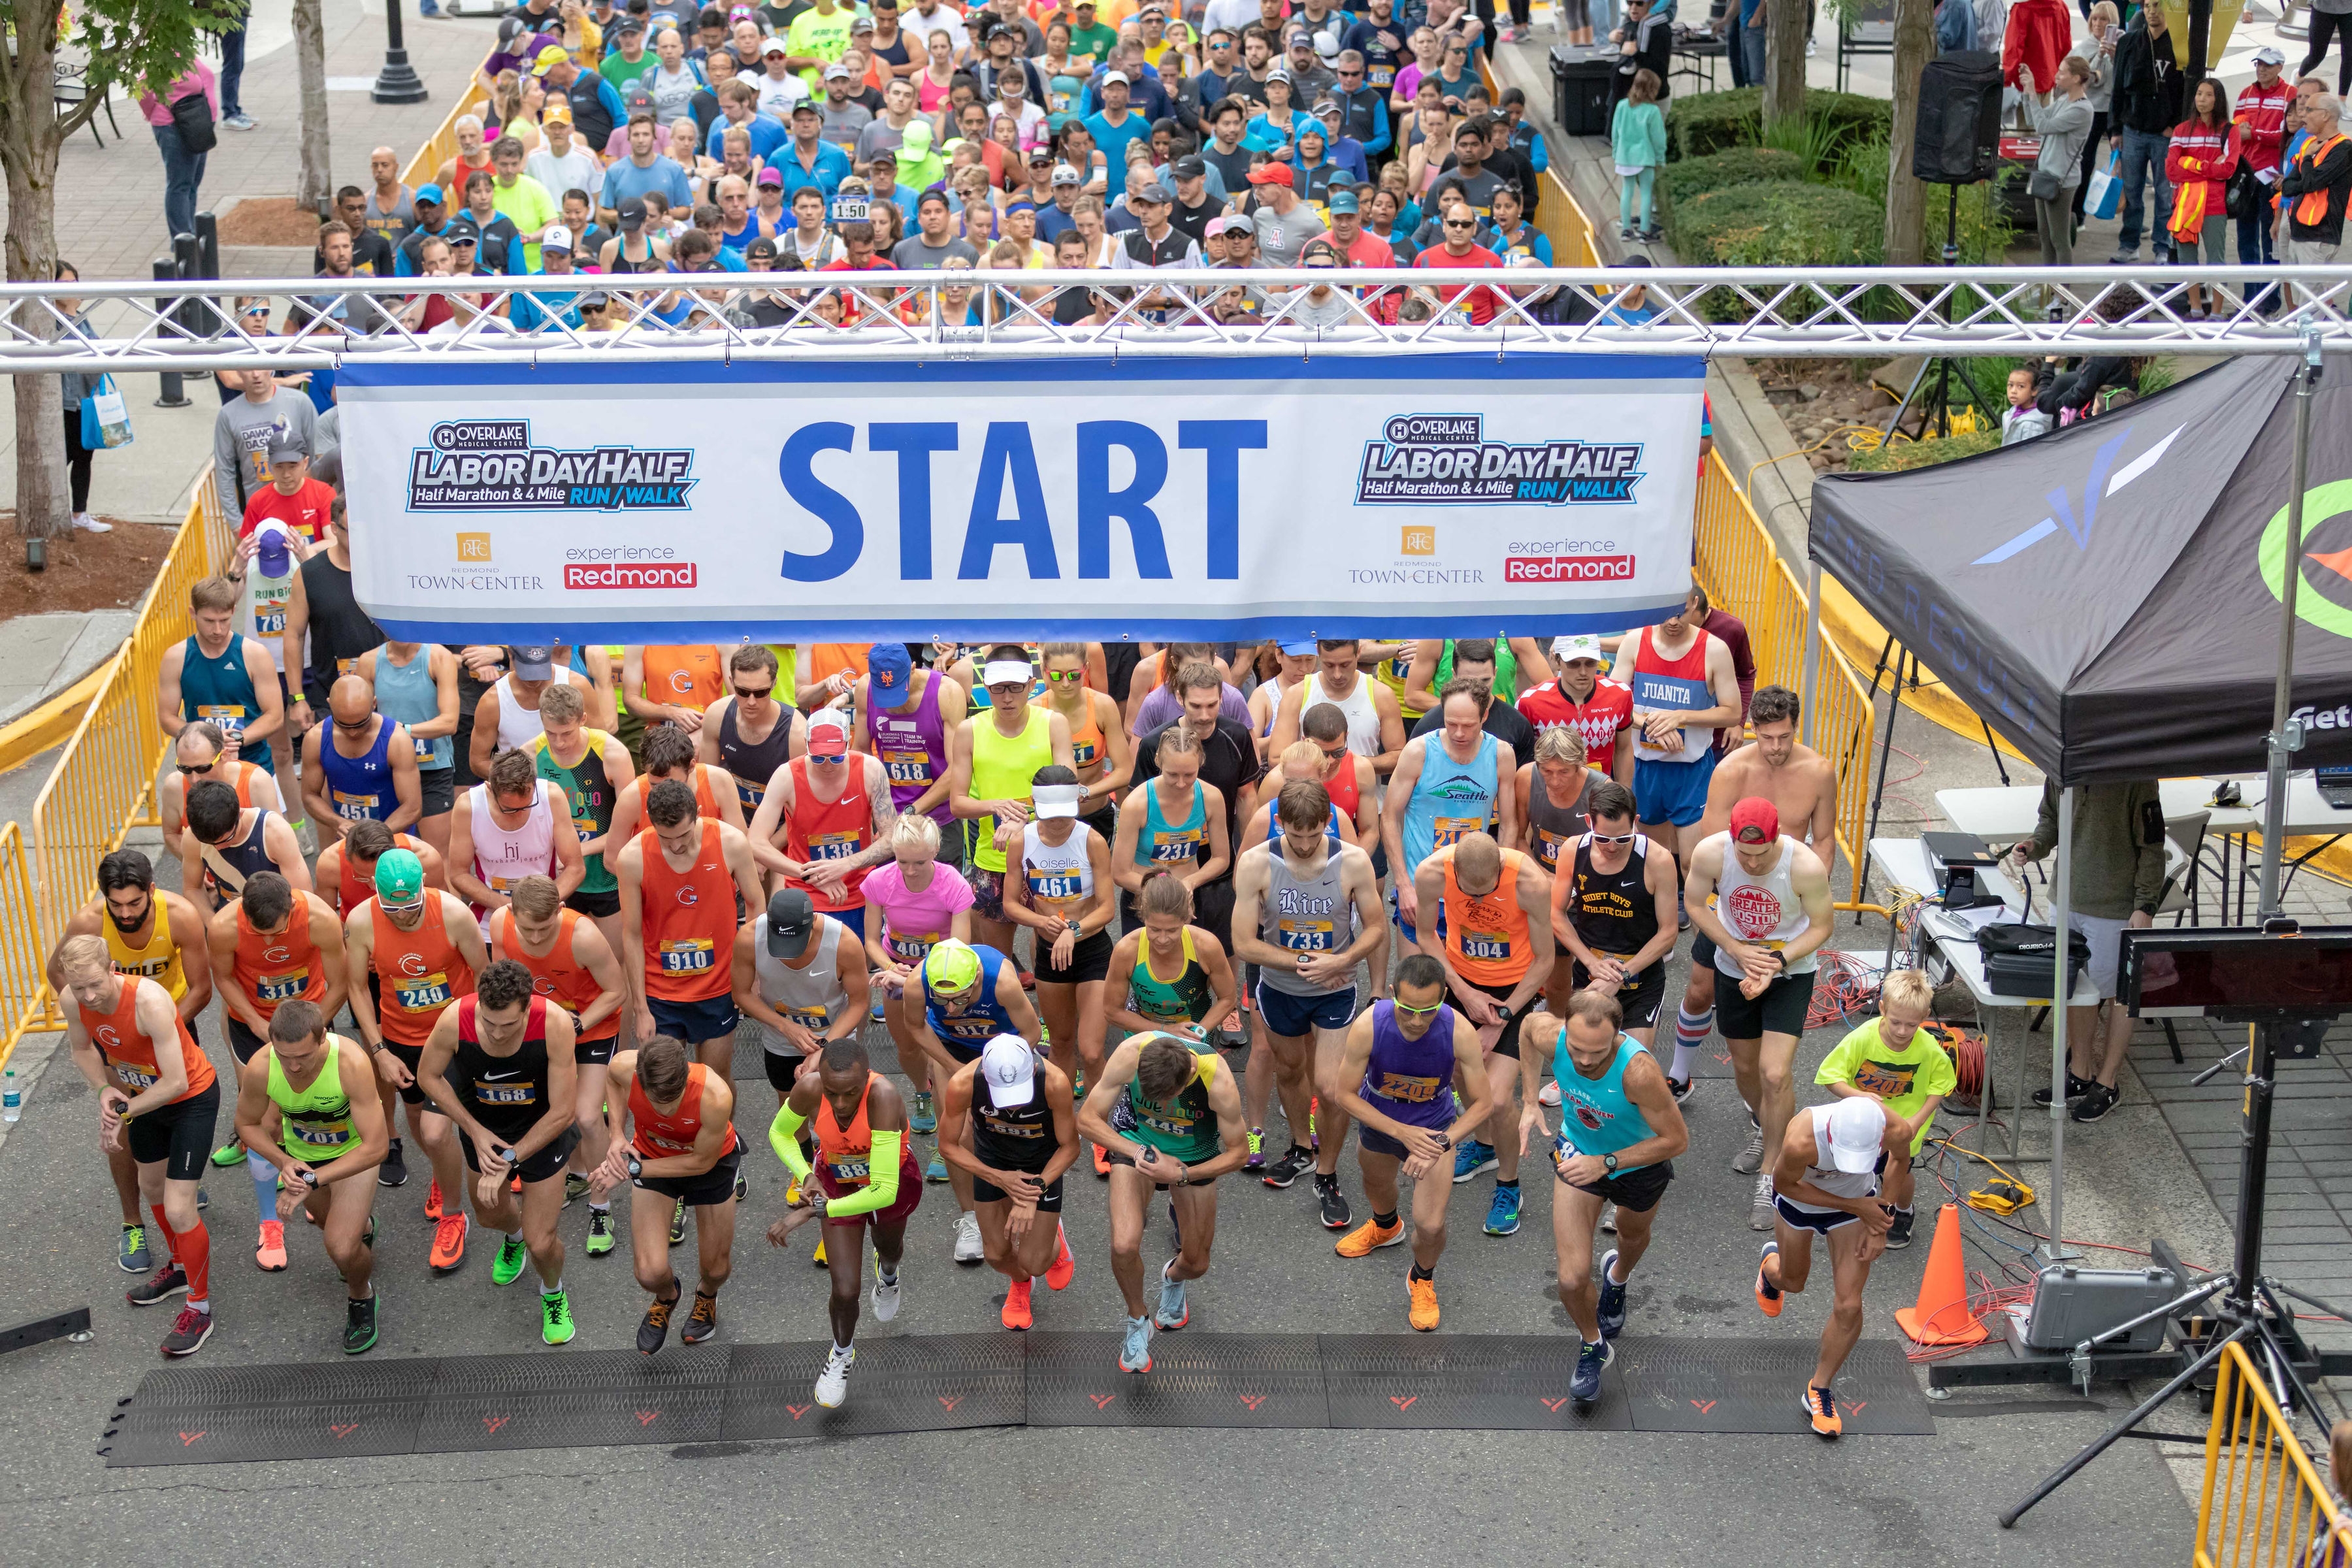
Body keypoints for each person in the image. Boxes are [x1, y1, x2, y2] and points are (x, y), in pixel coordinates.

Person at [46, 852, 214, 1274]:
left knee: (178, 1100)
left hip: (169, 1022)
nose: (125, 914)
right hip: (113, 1037)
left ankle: (180, 1176)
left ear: (152, 892)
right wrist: (100, 1020)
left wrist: (157, 1030)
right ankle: (132, 1221)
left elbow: (201, 988)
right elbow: (59, 975)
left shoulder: (179, 915)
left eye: (134, 905)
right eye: (115, 905)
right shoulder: (88, 924)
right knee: (120, 1123)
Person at [1520, 988, 1690, 1402]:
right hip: (1578, 1152)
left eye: (1598, 1052)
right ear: (1566, 1032)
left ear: (1616, 1037)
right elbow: (1525, 1028)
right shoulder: (1552, 1036)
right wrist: (1529, 1101)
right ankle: (1594, 1345)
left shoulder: (1639, 1073)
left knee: (1631, 1235)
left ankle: (1618, 1276)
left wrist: (1608, 1163)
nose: (1585, 1061)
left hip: (1638, 1164)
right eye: (1577, 1049)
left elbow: (1676, 1140)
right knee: (1572, 1277)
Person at [1671, 684, 1838, 1100]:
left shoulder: (1819, 771)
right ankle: (1679, 1071)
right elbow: (1714, 849)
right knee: (1700, 988)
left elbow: (1824, 840)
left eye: (1785, 737)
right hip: (1734, 903)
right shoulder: (1732, 770)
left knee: (1776, 996)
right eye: (1767, 738)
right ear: (1753, 730)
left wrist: (1810, 893)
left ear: (1796, 728)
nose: (1776, 747)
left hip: (1787, 903)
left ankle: (1769, 1099)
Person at [1230, 779, 1386, 1220]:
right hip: (1280, 989)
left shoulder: (1352, 861)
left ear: (1327, 823)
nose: (1302, 843)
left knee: (1332, 1089)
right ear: (1280, 823)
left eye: (1312, 834)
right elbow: (1243, 942)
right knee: (1291, 1070)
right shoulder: (1256, 863)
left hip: (1334, 990)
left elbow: (1375, 927)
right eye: (1294, 834)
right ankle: (1301, 1145)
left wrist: (1342, 961)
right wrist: (1302, 960)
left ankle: (1328, 1172)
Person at [57, 934, 220, 1357]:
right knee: (150, 1188)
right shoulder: (73, 1000)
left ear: (113, 969)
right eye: (79, 989)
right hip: (142, 1097)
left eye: (96, 984)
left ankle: (199, 1309)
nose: (89, 996)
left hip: (190, 1099)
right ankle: (181, 1267)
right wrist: (102, 1093)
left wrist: (122, 1112)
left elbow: (176, 1082)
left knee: (181, 1206)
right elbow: (81, 1050)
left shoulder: (149, 1002)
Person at [416, 959, 583, 1345]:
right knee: (490, 1217)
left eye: (508, 1025)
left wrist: (511, 1158)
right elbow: (428, 1076)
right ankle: (514, 1237)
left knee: (543, 1242)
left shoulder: (554, 1024)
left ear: (527, 1008)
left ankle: (553, 1293)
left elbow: (563, 1111)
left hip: (541, 1131)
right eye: (488, 1023)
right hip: (485, 1130)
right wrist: (474, 1131)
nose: (496, 1033)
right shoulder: (455, 1018)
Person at [1687, 798, 1835, 1231]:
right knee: (1747, 1070)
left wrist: (1777, 961)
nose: (1751, 863)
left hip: (1788, 972)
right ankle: (1769, 1127)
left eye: (1761, 854)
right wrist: (1733, 949)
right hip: (1735, 970)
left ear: (1777, 840)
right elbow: (1696, 904)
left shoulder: (1803, 865)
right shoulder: (1711, 852)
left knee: (1775, 1074)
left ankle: (1773, 1171)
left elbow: (1823, 925)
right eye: (1743, 854)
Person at [1328, 953, 1487, 1330]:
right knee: (1377, 1184)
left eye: (1429, 1011)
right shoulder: (1369, 1025)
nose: (1417, 1021)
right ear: (1392, 996)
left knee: (1430, 1226)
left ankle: (1422, 1278)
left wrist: (1442, 1142)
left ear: (1444, 997)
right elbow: (1343, 1094)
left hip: (1434, 1127)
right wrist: (1402, 1133)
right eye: (1406, 1009)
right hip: (1381, 1120)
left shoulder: (1459, 1031)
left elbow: (1484, 1104)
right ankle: (1385, 1227)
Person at [1080, 1025, 1250, 1371]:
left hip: (1193, 1156)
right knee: (1124, 1244)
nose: (1158, 1106)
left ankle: (1173, 1277)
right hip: (1137, 1141)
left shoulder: (1216, 1080)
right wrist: (1142, 1152)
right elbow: (1087, 1119)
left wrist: (1181, 1175)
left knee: (1197, 1264)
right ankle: (1137, 1319)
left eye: (1166, 1099)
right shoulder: (1131, 1053)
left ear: (1187, 1076)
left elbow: (1239, 1153)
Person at [767, 1036, 923, 1407]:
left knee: (889, 1249)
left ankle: (888, 1276)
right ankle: (841, 1353)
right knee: (846, 1289)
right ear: (820, 1079)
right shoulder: (808, 1088)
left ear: (866, 1079)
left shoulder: (883, 1097)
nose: (840, 1104)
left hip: (891, 1183)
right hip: (836, 1183)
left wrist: (813, 1211)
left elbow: (883, 1189)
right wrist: (805, 1174)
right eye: (832, 1093)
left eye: (851, 1093)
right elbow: (780, 1132)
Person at [1412, 830, 1552, 1237]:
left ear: (1500, 870)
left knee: (1497, 1099)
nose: (1475, 902)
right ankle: (1486, 1148)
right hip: (1462, 982)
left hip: (1515, 990)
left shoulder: (1529, 884)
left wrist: (1501, 1018)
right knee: (1462, 1076)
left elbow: (1545, 960)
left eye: (1485, 892)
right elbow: (1425, 935)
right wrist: (1464, 992)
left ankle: (1509, 1187)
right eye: (1467, 894)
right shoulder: (1432, 872)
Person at [205, 870, 348, 1266]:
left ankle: (317, 1190)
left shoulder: (319, 919)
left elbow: (339, 983)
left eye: (277, 931)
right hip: (255, 1025)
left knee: (315, 1108)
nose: (268, 942)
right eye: (258, 932)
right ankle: (270, 1224)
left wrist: (311, 1030)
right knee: (264, 1121)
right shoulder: (223, 927)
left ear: (291, 908)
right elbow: (225, 978)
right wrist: (256, 1024)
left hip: (308, 1023)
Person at [233, 1000, 391, 1354]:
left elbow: (377, 1147)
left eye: (302, 1055)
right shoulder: (261, 1067)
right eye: (284, 1056)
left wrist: (311, 1181)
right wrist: (283, 1160)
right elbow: (244, 1124)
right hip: (304, 1159)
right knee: (327, 1224)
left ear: (323, 1038)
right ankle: (364, 1228)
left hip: (354, 1155)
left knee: (340, 1246)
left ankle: (362, 1297)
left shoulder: (350, 1063)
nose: (294, 1066)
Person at [2009, 777, 2166, 1123]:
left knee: (2119, 997)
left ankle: (2108, 1083)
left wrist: (2146, 905)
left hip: (2115, 909)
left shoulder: (2136, 777)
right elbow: (2050, 820)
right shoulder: (2061, 765)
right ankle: (2080, 1073)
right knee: (2075, 988)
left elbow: (2152, 847)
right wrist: (2034, 846)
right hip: (2065, 900)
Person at [1755, 1094, 1902, 1439]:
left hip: (1857, 1207)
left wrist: (1882, 1222)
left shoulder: (1895, 1127)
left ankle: (1818, 1389)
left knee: (1849, 1304)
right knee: (1793, 1281)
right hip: (1801, 1204)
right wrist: (1856, 1206)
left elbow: (1900, 1161)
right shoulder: (1802, 1139)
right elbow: (1784, 1184)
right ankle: (1770, 1269)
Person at [594, 1034, 742, 1352]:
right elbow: (612, 1081)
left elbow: (700, 1163)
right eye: (655, 1101)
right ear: (641, 1079)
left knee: (716, 1269)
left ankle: (706, 1295)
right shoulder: (624, 1067)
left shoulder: (715, 1095)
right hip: (653, 1155)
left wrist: (630, 1170)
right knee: (649, 1273)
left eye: (672, 1102)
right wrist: (617, 1135)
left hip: (709, 1165)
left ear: (687, 1077)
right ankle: (667, 1296)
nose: (664, 1111)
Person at [618, 776, 765, 1079]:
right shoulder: (632, 858)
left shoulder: (731, 842)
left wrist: (751, 974)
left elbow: (755, 903)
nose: (676, 845)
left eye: (683, 834)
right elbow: (631, 935)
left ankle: (724, 1130)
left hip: (718, 987)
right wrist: (641, 1008)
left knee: (717, 1079)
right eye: (665, 837)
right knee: (664, 1080)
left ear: (698, 812)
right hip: (661, 992)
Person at [1610, 593, 1742, 915]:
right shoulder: (1635, 642)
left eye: (1681, 613)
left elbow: (1732, 713)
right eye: (1666, 614)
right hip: (1645, 768)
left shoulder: (1714, 649)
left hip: (1691, 771)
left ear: (1695, 607)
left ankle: (1708, 953)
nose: (1673, 622)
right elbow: (1614, 702)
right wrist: (1650, 725)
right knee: (1656, 863)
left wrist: (1681, 716)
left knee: (1693, 863)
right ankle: (1662, 936)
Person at [940, 1032, 1081, 1328]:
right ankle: (1020, 1283)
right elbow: (948, 1145)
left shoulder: (1054, 1082)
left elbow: (1070, 1147)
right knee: (995, 1254)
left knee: (1036, 1263)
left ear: (1031, 1068)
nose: (1010, 1108)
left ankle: (1054, 1238)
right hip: (995, 1162)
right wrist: (999, 1178)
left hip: (1042, 1165)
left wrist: (1033, 1192)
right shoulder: (964, 1083)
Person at [910, 936, 1043, 1250]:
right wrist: (952, 1066)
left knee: (1012, 1125)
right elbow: (916, 1027)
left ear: (978, 980)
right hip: (951, 1049)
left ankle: (1023, 1198)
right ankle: (970, 1219)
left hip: (1004, 1049)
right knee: (956, 1132)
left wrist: (988, 1070)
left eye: (959, 999)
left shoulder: (1003, 982)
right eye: (942, 1002)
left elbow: (1033, 1032)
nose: (952, 1009)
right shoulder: (918, 983)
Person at [949, 645, 1075, 958]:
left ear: (1032, 685)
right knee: (995, 958)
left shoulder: (1053, 723)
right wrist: (996, 806)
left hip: (1048, 855)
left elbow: (1070, 790)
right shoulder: (970, 731)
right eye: (998, 689)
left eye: (1016, 688)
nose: (1007, 698)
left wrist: (1024, 817)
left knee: (1050, 951)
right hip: (993, 858)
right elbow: (958, 804)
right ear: (986, 688)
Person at [1812, 968, 1952, 1252]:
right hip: (1863, 1123)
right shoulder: (1862, 1039)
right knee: (1857, 1168)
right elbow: (1830, 1076)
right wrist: (1859, 1097)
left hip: (1904, 1125)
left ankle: (1902, 1210)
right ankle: (1858, 1207)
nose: (1902, 1031)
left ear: (1923, 1018)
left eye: (1911, 1025)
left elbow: (1941, 1085)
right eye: (1896, 1022)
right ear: (1883, 1008)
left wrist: (1915, 1122)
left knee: (1898, 1173)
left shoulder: (1929, 1049)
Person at [1007, 766, 1117, 1093]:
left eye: (1065, 815)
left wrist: (1075, 929)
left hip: (1092, 951)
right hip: (1049, 954)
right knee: (1060, 1044)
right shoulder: (1022, 841)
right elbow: (1010, 904)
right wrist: (1043, 923)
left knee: (1093, 1050)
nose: (1058, 822)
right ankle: (1063, 1122)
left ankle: (1101, 1129)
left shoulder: (1091, 841)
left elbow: (1108, 908)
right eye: (1050, 815)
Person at [736, 886, 872, 1149]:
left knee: (841, 1103)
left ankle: (843, 1162)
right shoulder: (749, 937)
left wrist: (825, 1047)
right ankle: (806, 1168)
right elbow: (741, 994)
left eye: (796, 943)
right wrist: (785, 1027)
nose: (790, 953)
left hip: (835, 1033)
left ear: (812, 925)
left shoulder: (844, 943)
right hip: (779, 1038)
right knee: (791, 1102)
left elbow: (859, 1003)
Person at [1384, 679, 1514, 946]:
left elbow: (1510, 824)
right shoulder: (1419, 751)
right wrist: (1403, 885)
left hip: (1474, 889)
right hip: (1422, 888)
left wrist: (1498, 882)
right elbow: (1389, 816)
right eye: (1451, 723)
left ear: (1485, 715)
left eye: (1468, 725)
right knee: (1417, 983)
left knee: (1467, 983)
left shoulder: (1500, 754)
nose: (1458, 733)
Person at [747, 709, 898, 932]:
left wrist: (846, 864)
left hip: (858, 893)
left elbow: (892, 837)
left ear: (848, 743)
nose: (827, 765)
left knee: (856, 964)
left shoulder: (870, 770)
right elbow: (755, 842)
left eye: (836, 757)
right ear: (806, 744)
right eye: (818, 757)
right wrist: (810, 875)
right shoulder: (787, 776)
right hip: (804, 893)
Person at [160, 576, 288, 781]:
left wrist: (237, 739)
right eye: (209, 621)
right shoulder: (176, 658)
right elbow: (167, 718)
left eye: (224, 620)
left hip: (254, 768)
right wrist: (207, 738)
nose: (218, 630)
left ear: (234, 611)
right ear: (193, 613)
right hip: (201, 773)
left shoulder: (255, 654)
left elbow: (275, 716)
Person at [448, 749, 587, 919]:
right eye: (509, 809)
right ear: (490, 789)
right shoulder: (468, 806)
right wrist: (509, 906)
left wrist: (540, 905)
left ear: (535, 785)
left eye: (527, 805)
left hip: (543, 916)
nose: (519, 813)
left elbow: (576, 867)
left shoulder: (551, 796)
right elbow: (458, 874)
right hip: (490, 916)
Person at [358, 640, 461, 860]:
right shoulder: (369, 661)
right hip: (388, 771)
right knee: (382, 854)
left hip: (432, 768)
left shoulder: (438, 657)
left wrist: (400, 731)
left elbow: (450, 722)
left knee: (439, 856)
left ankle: (440, 896)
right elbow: (360, 717)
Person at [300, 675, 423, 847]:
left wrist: (374, 836)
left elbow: (412, 807)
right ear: (330, 704)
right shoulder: (316, 738)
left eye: (361, 724)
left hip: (394, 840)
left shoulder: (396, 740)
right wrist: (338, 822)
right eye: (343, 724)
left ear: (374, 704)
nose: (352, 733)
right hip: (349, 840)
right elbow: (309, 795)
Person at [2108, 2, 2183, 264]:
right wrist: (2115, 128)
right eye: (2148, 6)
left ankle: (2162, 246)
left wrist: (2176, 126)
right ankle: (2129, 244)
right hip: (2133, 129)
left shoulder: (2179, 44)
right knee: (2132, 191)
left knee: (2165, 195)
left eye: (2158, 6)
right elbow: (2117, 86)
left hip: (2163, 134)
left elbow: (2185, 90)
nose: (2152, 11)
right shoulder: (2130, 42)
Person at [180, 776, 310, 915]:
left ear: (240, 814)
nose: (219, 848)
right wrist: (213, 925)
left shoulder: (275, 832)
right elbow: (192, 888)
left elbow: (303, 896)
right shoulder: (192, 838)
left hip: (275, 918)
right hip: (230, 918)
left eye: (227, 839)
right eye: (210, 844)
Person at [158, 721, 284, 863]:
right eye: (185, 769)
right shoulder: (174, 787)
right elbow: (171, 833)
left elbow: (279, 837)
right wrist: (195, 866)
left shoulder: (256, 782)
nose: (194, 779)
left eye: (203, 768)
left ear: (224, 756)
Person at [2019, 57, 2094, 267]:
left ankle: (2063, 296)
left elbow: (2044, 127)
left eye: (2062, 73)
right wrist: (2027, 92)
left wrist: (2034, 92)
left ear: (2076, 78)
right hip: (2045, 174)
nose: (2057, 76)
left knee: (2060, 240)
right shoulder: (2063, 100)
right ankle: (2048, 288)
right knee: (2045, 237)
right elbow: (2035, 121)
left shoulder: (2082, 110)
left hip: (2061, 180)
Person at [139, 58, 218, 243]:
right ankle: (182, 241)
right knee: (180, 184)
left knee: (192, 182)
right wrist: (154, 113)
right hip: (172, 126)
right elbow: (142, 87)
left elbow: (205, 76)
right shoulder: (161, 53)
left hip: (197, 123)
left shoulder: (184, 49)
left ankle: (188, 234)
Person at [2279, 93, 2352, 265]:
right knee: (2298, 289)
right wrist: (2305, 180)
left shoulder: (2343, 148)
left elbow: (2313, 183)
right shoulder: (2309, 145)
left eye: (2309, 110)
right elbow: (2288, 187)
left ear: (2325, 115)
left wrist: (2307, 160)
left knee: (2313, 292)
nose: (2303, 115)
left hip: (2319, 237)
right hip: (2298, 233)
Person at [1610, 68, 1665, 242]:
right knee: (1646, 193)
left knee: (1627, 191)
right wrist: (1660, 159)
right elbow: (1658, 139)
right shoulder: (1653, 111)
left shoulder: (1622, 106)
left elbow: (1615, 133)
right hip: (1645, 158)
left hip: (1624, 157)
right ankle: (1645, 230)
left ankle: (1626, 229)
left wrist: (1615, 153)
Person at [2002, 365, 2055, 444]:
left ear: (2034, 391)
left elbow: (2031, 453)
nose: (2013, 391)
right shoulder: (2014, 410)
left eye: (2021, 386)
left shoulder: (2032, 425)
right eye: (2010, 385)